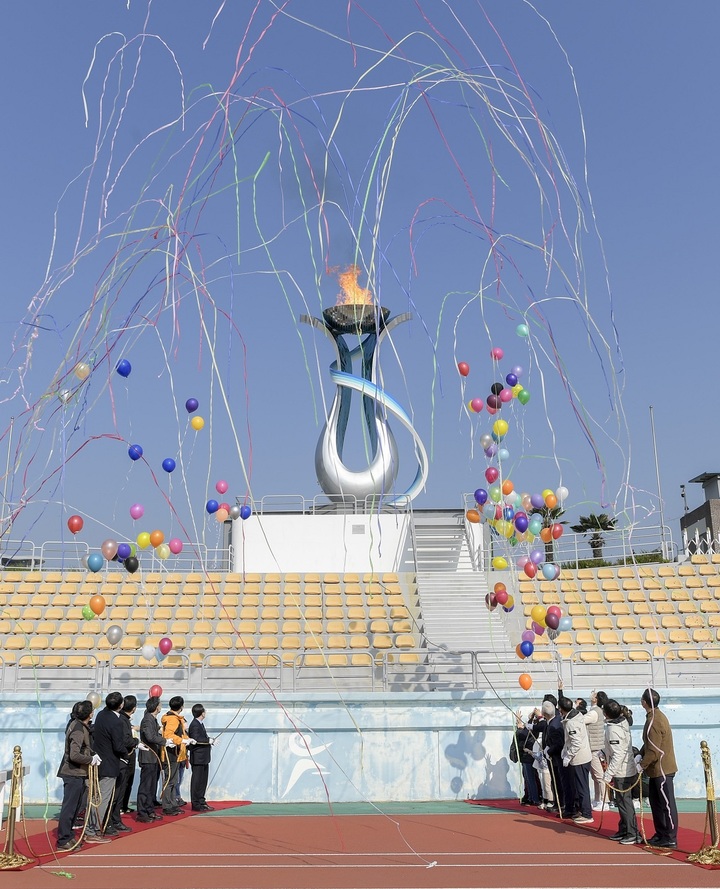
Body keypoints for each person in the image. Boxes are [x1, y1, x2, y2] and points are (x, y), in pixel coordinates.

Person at [56, 701, 104, 850]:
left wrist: (92, 754)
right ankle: (63, 839)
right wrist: (90, 759)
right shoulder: (78, 729)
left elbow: (83, 748)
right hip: (73, 773)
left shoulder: (79, 726)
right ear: (90, 714)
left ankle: (68, 835)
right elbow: (74, 754)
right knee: (70, 808)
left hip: (78, 773)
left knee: (75, 807)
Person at [638, 688, 678, 849]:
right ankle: (661, 833)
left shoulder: (654, 720)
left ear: (644, 702)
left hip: (662, 769)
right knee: (656, 803)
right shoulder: (653, 717)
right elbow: (649, 743)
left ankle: (670, 836)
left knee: (666, 805)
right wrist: (641, 754)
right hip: (656, 770)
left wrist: (641, 764)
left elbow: (654, 750)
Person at [91, 691, 129, 838]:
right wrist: (126, 753)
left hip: (99, 761)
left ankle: (94, 826)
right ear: (121, 705)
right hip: (109, 764)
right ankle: (96, 829)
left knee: (96, 798)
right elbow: (118, 745)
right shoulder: (116, 722)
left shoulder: (101, 715)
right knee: (104, 798)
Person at [602, 699, 640, 844]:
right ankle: (624, 829)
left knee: (625, 803)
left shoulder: (613, 729)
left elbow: (618, 754)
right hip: (624, 768)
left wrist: (608, 774)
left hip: (622, 771)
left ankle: (632, 833)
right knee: (622, 801)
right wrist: (603, 751)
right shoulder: (622, 721)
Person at [137, 696, 176, 823]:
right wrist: (164, 741)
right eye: (159, 704)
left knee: (152, 786)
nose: (160, 706)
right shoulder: (147, 720)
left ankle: (149, 810)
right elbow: (150, 737)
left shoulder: (153, 719)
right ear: (155, 707)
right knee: (145, 786)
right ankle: (142, 812)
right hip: (148, 757)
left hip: (154, 757)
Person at [558, 695, 593, 824]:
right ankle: (583, 810)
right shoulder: (575, 715)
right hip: (582, 756)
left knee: (582, 786)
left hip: (580, 758)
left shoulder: (571, 723)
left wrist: (568, 755)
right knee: (581, 785)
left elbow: (576, 743)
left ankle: (587, 813)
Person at [107, 695, 138, 833]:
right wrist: (136, 742)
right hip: (120, 760)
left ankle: (114, 820)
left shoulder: (118, 719)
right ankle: (113, 821)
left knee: (120, 791)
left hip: (121, 759)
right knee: (117, 793)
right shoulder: (119, 720)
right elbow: (124, 741)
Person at [161, 696, 195, 815]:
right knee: (170, 780)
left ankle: (172, 803)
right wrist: (182, 741)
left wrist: (187, 739)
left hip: (176, 753)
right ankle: (167, 805)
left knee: (174, 780)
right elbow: (169, 735)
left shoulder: (175, 718)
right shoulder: (173, 719)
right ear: (181, 707)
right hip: (171, 753)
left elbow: (179, 734)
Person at [188, 704, 216, 812]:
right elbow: (196, 739)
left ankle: (201, 800)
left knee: (203, 781)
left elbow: (202, 737)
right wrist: (207, 741)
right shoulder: (194, 724)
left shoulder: (200, 724)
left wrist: (210, 740)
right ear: (201, 712)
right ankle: (196, 803)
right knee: (197, 781)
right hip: (198, 758)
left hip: (204, 757)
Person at [540, 700, 565, 815]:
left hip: (556, 758)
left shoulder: (554, 724)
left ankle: (561, 804)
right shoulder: (552, 722)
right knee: (556, 782)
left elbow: (558, 743)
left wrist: (548, 750)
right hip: (553, 757)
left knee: (558, 782)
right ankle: (558, 802)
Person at [586, 690, 609, 809]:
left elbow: (582, 721)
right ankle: (597, 799)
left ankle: (604, 802)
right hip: (594, 747)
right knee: (595, 776)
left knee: (599, 776)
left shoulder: (594, 712)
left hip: (594, 748)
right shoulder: (595, 711)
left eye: (594, 695)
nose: (591, 695)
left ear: (596, 699)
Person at [513, 710, 540, 806]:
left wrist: (519, 724)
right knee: (527, 777)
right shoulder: (531, 727)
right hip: (525, 756)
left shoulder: (533, 729)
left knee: (530, 778)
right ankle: (530, 797)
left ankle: (535, 798)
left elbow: (523, 734)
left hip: (528, 756)